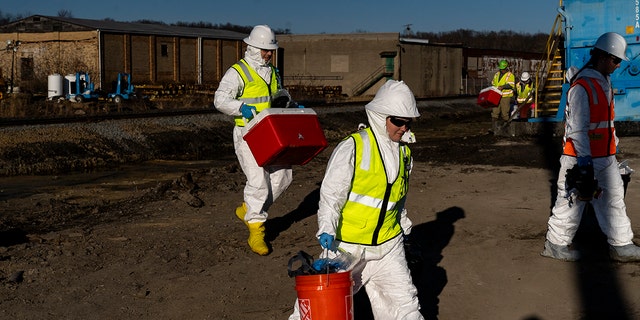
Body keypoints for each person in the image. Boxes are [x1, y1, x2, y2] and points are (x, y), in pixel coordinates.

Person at [289, 80, 424, 319]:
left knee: (405, 309)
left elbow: (395, 196)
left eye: (408, 122)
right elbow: (331, 194)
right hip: (347, 248)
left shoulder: (404, 153)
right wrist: (327, 227)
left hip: (388, 247)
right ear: (381, 117)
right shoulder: (353, 147)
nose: (404, 128)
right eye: (398, 121)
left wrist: (402, 220)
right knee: (319, 310)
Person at [542, 32, 640, 262]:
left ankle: (621, 244)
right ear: (604, 57)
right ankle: (555, 245)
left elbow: (606, 122)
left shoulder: (603, 82)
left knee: (614, 199)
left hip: (605, 157)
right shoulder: (582, 86)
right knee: (571, 202)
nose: (618, 65)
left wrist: (613, 147)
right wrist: (584, 164)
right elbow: (577, 128)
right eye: (616, 60)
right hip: (579, 157)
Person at [214, 25, 292, 256]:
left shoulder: (274, 72)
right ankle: (257, 229)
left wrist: (287, 102)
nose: (269, 54)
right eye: (265, 50)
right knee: (258, 181)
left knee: (283, 176)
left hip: (271, 132)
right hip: (248, 134)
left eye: (271, 50)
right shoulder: (238, 72)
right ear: (252, 47)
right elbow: (220, 99)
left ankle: (249, 209)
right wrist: (240, 107)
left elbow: (278, 95)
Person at [491, 59, 515, 133]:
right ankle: (494, 128)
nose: (502, 70)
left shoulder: (510, 75)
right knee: (495, 112)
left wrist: (503, 87)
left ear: (506, 68)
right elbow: (493, 83)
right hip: (496, 95)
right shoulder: (497, 74)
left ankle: (506, 129)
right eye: (501, 69)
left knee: (505, 113)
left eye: (503, 69)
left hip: (505, 96)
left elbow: (511, 85)